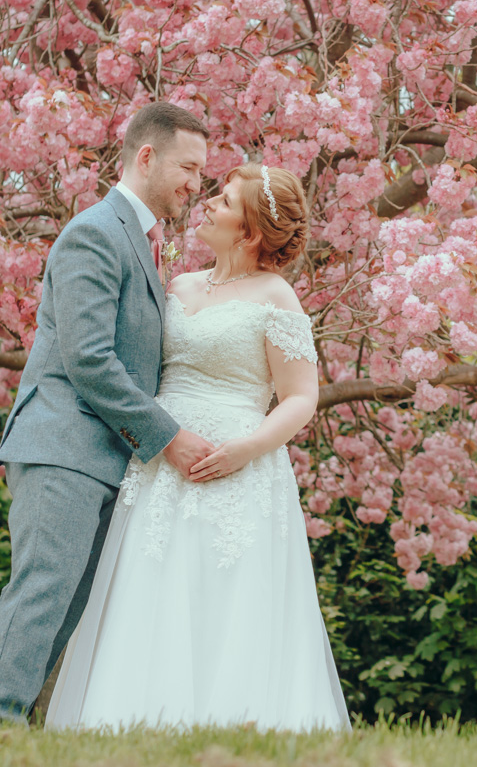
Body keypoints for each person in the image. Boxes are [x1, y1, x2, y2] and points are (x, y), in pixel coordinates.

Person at [44, 162, 350, 732]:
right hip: (161, 461)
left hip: (238, 465)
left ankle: (233, 728)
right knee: (150, 586)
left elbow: (301, 398)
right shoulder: (179, 286)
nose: (206, 202)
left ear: (251, 230)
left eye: (225, 200)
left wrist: (245, 448)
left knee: (224, 593)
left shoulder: (277, 297)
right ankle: (131, 725)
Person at [0, 102, 216, 724]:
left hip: (102, 460)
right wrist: (169, 437)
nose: (196, 184)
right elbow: (90, 359)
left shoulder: (143, 242)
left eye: (203, 174)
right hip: (62, 449)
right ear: (146, 156)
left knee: (64, 609)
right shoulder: (95, 232)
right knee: (40, 599)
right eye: (188, 167)